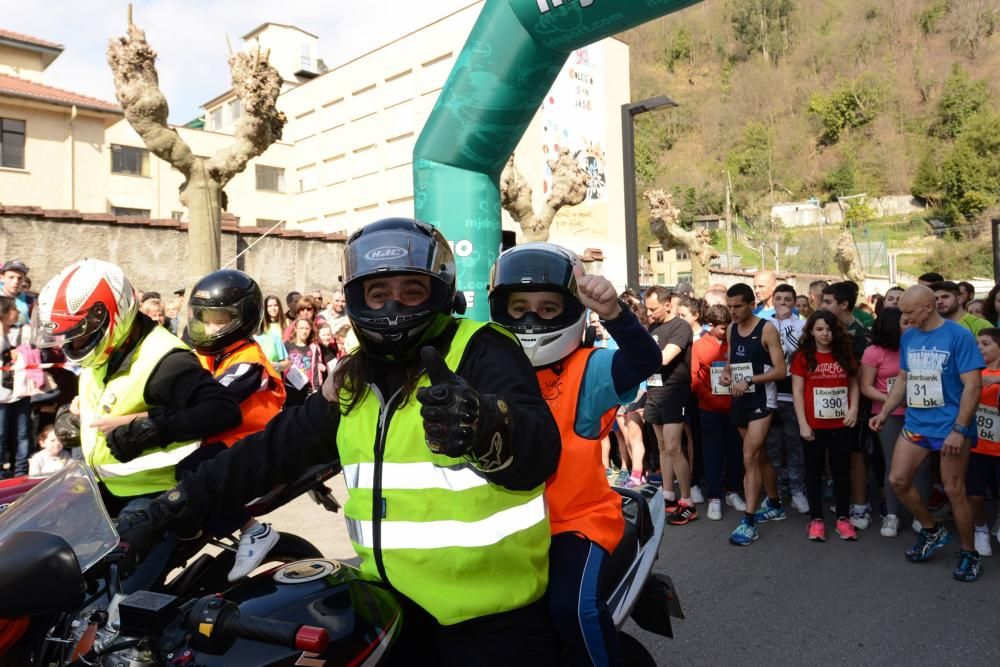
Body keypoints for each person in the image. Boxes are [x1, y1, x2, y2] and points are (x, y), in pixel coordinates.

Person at [115, 218, 564, 664]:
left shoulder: (483, 349)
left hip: (489, 618)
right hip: (389, 605)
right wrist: (175, 503)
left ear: (440, 292)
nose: (393, 305)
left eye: (412, 291)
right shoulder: (355, 376)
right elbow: (275, 449)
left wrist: (486, 424)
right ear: (356, 298)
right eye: (378, 293)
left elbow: (539, 451)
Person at [489, 242, 660, 667]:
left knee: (574, 609)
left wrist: (613, 312)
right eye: (519, 308)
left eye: (548, 308)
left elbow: (644, 359)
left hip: (574, 523)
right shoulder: (487, 367)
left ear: (571, 309)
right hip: (501, 525)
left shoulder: (592, 368)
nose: (531, 318)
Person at [33, 259, 242, 514]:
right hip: (104, 485)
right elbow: (108, 403)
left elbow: (224, 409)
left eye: (79, 332)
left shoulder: (166, 360)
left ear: (111, 316)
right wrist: (74, 418)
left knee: (125, 555)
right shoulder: (105, 351)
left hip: (156, 494)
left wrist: (152, 427)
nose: (73, 343)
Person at [870, 285, 984, 582]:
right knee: (897, 480)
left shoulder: (958, 335)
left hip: (951, 425)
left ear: (929, 307)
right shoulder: (909, 337)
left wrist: (960, 429)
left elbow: (973, 386)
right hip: (918, 423)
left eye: (909, 312)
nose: (904, 318)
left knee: (954, 489)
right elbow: (904, 379)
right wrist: (883, 413)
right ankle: (932, 530)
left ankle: (969, 553)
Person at [185, 269, 287, 580]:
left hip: (253, 443)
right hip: (223, 440)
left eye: (220, 319)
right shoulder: (210, 353)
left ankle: (252, 530)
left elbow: (207, 403)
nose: (210, 326)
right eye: (205, 317)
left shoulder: (248, 362)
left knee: (192, 473)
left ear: (243, 317)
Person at [719, 283, 787, 545]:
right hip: (740, 399)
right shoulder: (731, 329)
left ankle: (748, 522)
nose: (733, 311)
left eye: (738, 306)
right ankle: (775, 503)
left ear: (751, 304)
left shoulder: (767, 328)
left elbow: (781, 371)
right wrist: (727, 374)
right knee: (759, 456)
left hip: (762, 399)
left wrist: (749, 380)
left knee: (749, 455)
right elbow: (730, 362)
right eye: (729, 306)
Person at [791, 311, 860, 542]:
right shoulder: (802, 356)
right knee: (813, 471)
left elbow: (853, 385)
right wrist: (802, 423)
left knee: (841, 471)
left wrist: (853, 409)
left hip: (841, 423)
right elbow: (798, 392)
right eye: (819, 329)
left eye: (829, 329)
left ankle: (843, 517)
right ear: (811, 330)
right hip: (813, 424)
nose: (825, 334)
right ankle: (816, 519)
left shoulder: (844, 354)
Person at [860, 308, 929, 537]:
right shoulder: (873, 351)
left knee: (922, 464)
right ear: (891, 324)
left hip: (920, 413)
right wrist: (893, 399)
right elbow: (866, 386)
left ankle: (921, 514)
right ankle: (892, 514)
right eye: (905, 322)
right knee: (893, 463)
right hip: (887, 414)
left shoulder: (918, 347)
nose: (910, 325)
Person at [821, 281, 874, 529]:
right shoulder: (825, 329)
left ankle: (861, 505)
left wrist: (855, 405)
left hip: (855, 405)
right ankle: (848, 498)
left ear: (844, 304)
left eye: (828, 302)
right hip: (828, 405)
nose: (822, 306)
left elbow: (862, 375)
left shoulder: (860, 333)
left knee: (855, 453)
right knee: (836, 453)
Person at [643, 286, 697, 524]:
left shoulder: (680, 327)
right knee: (663, 445)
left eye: (653, 309)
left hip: (675, 392)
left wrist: (640, 358)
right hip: (654, 390)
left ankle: (688, 502)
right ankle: (668, 496)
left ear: (667, 304)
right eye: (647, 309)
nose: (649, 314)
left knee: (675, 447)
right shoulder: (653, 327)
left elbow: (665, 357)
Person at [690, 304, 745, 520]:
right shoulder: (699, 346)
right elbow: (694, 379)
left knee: (735, 452)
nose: (727, 330)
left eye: (729, 326)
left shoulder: (737, 341)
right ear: (710, 326)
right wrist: (711, 398)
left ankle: (733, 492)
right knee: (712, 453)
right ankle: (714, 497)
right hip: (709, 410)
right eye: (723, 328)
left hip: (736, 407)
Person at [765, 284, 809, 514]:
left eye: (787, 299)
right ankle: (777, 489)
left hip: (794, 392)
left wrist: (786, 325)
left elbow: (796, 352)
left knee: (794, 444)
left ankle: (797, 489)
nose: (782, 302)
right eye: (779, 298)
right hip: (771, 392)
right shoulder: (765, 325)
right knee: (773, 444)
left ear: (794, 302)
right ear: (772, 301)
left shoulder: (802, 325)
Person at [969, 328, 1000, 557]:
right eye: (978, 343)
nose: (980, 347)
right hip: (977, 445)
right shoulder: (972, 370)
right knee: (975, 494)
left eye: (986, 343)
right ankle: (980, 529)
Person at [0, 296, 31, 478]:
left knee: (23, 434)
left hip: (20, 391)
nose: (18, 312)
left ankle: (21, 472)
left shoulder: (19, 332)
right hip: (2, 395)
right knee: (1, 435)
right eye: (14, 309)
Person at [283, 317, 321, 407]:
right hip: (289, 388)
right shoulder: (287, 345)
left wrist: (316, 388)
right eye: (301, 328)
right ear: (295, 329)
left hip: (306, 389)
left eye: (307, 328)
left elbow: (316, 369)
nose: (304, 331)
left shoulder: (313, 348)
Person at [1, 260, 33, 325]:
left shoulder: (30, 301)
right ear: (2, 278)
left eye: (20, 278)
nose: (16, 281)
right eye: (11, 277)